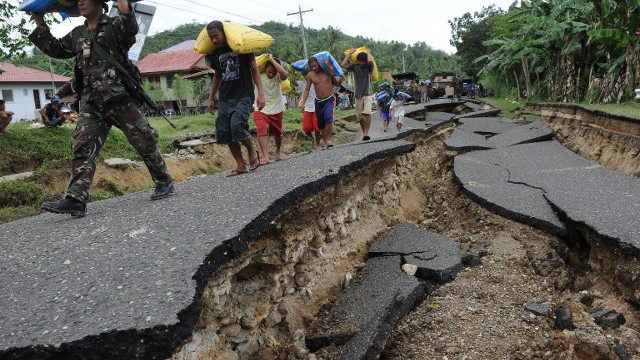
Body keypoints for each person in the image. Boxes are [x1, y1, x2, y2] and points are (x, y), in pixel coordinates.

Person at [29, 0, 174, 217]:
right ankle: (75, 199)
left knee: (143, 140)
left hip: (119, 99)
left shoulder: (114, 26)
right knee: (82, 146)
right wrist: (39, 19)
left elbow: (130, 26)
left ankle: (164, 181)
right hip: (91, 103)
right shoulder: (77, 34)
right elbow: (55, 48)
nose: (81, 2)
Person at [206, 20, 264, 176]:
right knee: (225, 131)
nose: (214, 40)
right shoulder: (216, 54)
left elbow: (255, 71)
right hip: (225, 97)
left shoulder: (241, 47)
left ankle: (252, 151)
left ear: (224, 33)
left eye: (216, 36)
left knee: (237, 125)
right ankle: (240, 165)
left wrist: (261, 94)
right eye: (211, 37)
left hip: (244, 95)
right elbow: (217, 76)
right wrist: (211, 98)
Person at [298, 56, 343, 149]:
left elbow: (337, 83)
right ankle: (326, 140)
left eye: (315, 66)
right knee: (321, 123)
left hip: (329, 99)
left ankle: (329, 140)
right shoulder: (310, 75)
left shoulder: (328, 70)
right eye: (311, 67)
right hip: (318, 101)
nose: (313, 68)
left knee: (328, 117)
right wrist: (302, 101)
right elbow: (306, 89)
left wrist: (341, 79)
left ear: (318, 63)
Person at [253, 54, 287, 164]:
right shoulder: (258, 75)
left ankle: (277, 151)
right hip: (260, 108)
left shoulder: (278, 77)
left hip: (277, 108)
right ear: (265, 68)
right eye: (269, 71)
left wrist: (271, 59)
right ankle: (266, 157)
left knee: (278, 133)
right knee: (261, 128)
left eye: (273, 72)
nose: (271, 74)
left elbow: (284, 74)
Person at [342, 49, 373, 141]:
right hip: (358, 95)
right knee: (359, 116)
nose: (361, 63)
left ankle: (366, 132)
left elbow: (370, 61)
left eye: (363, 61)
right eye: (359, 61)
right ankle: (364, 133)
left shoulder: (369, 67)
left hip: (368, 94)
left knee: (367, 112)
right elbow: (343, 65)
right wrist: (350, 53)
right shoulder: (355, 67)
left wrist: (368, 52)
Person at [290, 67, 322, 149]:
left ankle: (318, 144)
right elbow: (293, 82)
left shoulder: (316, 82)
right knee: (306, 128)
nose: (305, 76)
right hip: (307, 107)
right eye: (304, 74)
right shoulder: (302, 83)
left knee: (317, 127)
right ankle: (312, 139)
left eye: (306, 74)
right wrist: (292, 71)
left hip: (317, 107)